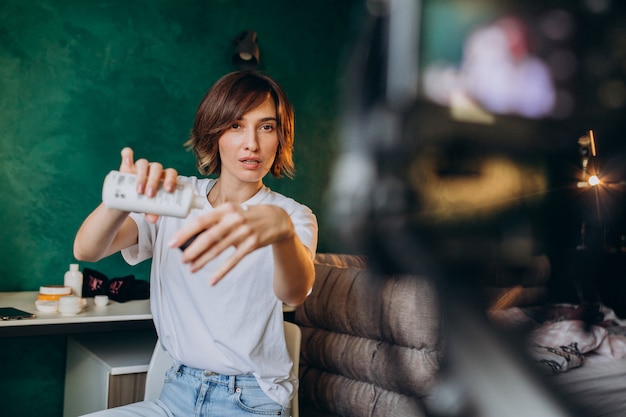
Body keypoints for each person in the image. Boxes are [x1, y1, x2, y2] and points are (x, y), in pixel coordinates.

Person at [73, 71, 318, 416]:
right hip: (175, 392)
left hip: (247, 400)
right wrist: (120, 196)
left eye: (266, 127)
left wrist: (282, 236)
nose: (252, 143)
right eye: (235, 125)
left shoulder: (292, 215)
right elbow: (87, 250)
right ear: (214, 132)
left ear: (280, 137)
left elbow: (296, 293)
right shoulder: (175, 196)